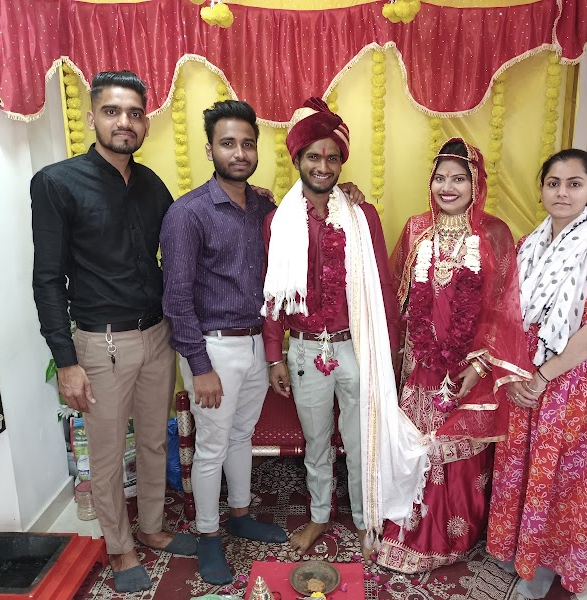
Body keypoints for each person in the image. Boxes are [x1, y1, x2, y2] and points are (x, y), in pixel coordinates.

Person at [31, 70, 195, 593]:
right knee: (104, 456)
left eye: (134, 113)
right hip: (101, 344)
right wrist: (67, 361)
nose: (124, 122)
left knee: (153, 441)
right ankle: (120, 548)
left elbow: (183, 241)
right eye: (112, 111)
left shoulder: (151, 185)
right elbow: (47, 279)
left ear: (145, 123)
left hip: (157, 335)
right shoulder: (57, 183)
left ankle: (150, 528)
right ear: (92, 118)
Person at [375, 137, 531, 574]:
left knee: (458, 451)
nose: (448, 187)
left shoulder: (494, 233)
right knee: (416, 444)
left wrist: (480, 365)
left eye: (459, 178)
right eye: (440, 178)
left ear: (475, 184)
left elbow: (505, 306)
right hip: (420, 364)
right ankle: (406, 530)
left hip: (471, 364)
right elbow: (397, 296)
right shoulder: (415, 229)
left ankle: (453, 537)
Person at [487, 149, 587, 598]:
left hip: (577, 377)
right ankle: (525, 554)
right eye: (554, 183)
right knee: (526, 466)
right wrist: (516, 373)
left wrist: (542, 376)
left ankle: (560, 572)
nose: (562, 192)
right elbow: (510, 312)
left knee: (569, 477)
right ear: (542, 189)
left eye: (574, 184)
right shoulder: (530, 242)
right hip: (527, 372)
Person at [263, 98, 403, 561]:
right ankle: (320, 515)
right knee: (317, 443)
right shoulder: (278, 221)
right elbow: (272, 292)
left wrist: (390, 351)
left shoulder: (363, 215)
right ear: (297, 160)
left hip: (356, 347)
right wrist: (274, 355)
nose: (323, 166)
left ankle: (365, 518)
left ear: (341, 162)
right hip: (305, 351)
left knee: (362, 441)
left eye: (332, 157)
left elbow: (382, 285)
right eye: (313, 156)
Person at [160, 100, 288, 586]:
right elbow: (176, 299)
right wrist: (199, 365)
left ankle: (239, 514)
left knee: (241, 436)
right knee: (211, 446)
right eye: (228, 143)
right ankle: (209, 535)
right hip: (212, 348)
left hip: (256, 343)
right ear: (210, 149)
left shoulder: (264, 209)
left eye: (247, 144)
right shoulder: (187, 213)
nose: (239, 153)